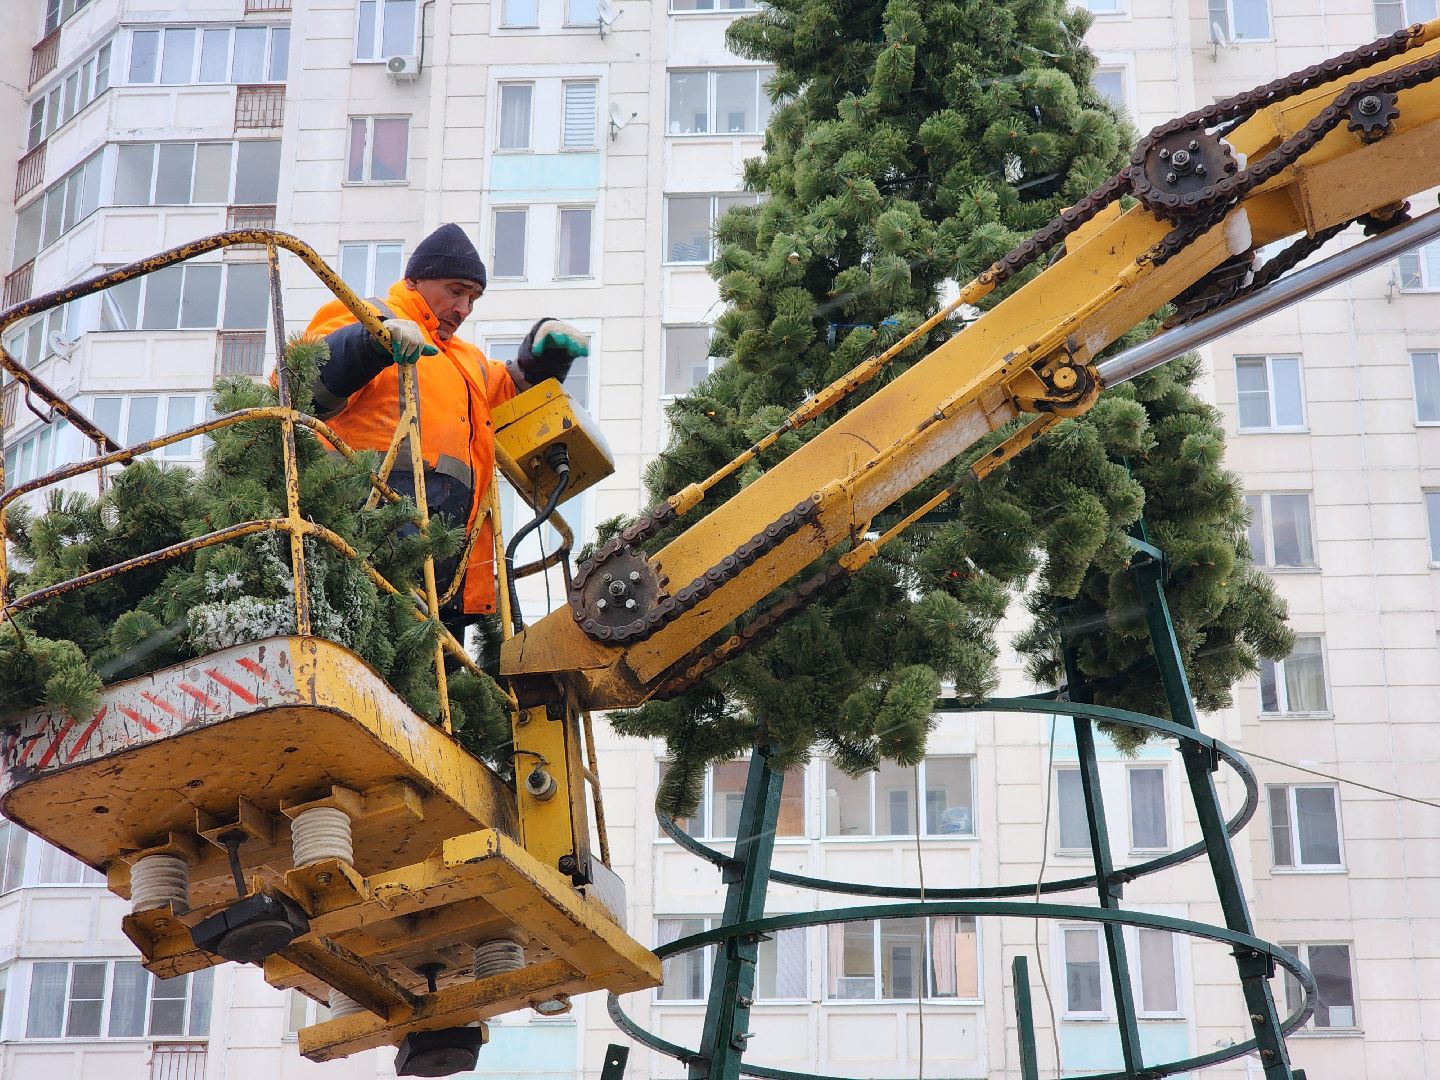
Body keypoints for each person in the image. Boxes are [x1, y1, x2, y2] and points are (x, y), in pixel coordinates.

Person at [303, 222, 587, 623]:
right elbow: (303, 382)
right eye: (456, 291)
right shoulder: (368, 315)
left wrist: (546, 356)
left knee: (435, 673)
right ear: (415, 281)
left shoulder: (465, 360)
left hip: (445, 565)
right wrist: (372, 342)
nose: (464, 309)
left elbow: (510, 391)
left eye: (473, 298)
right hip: (364, 538)